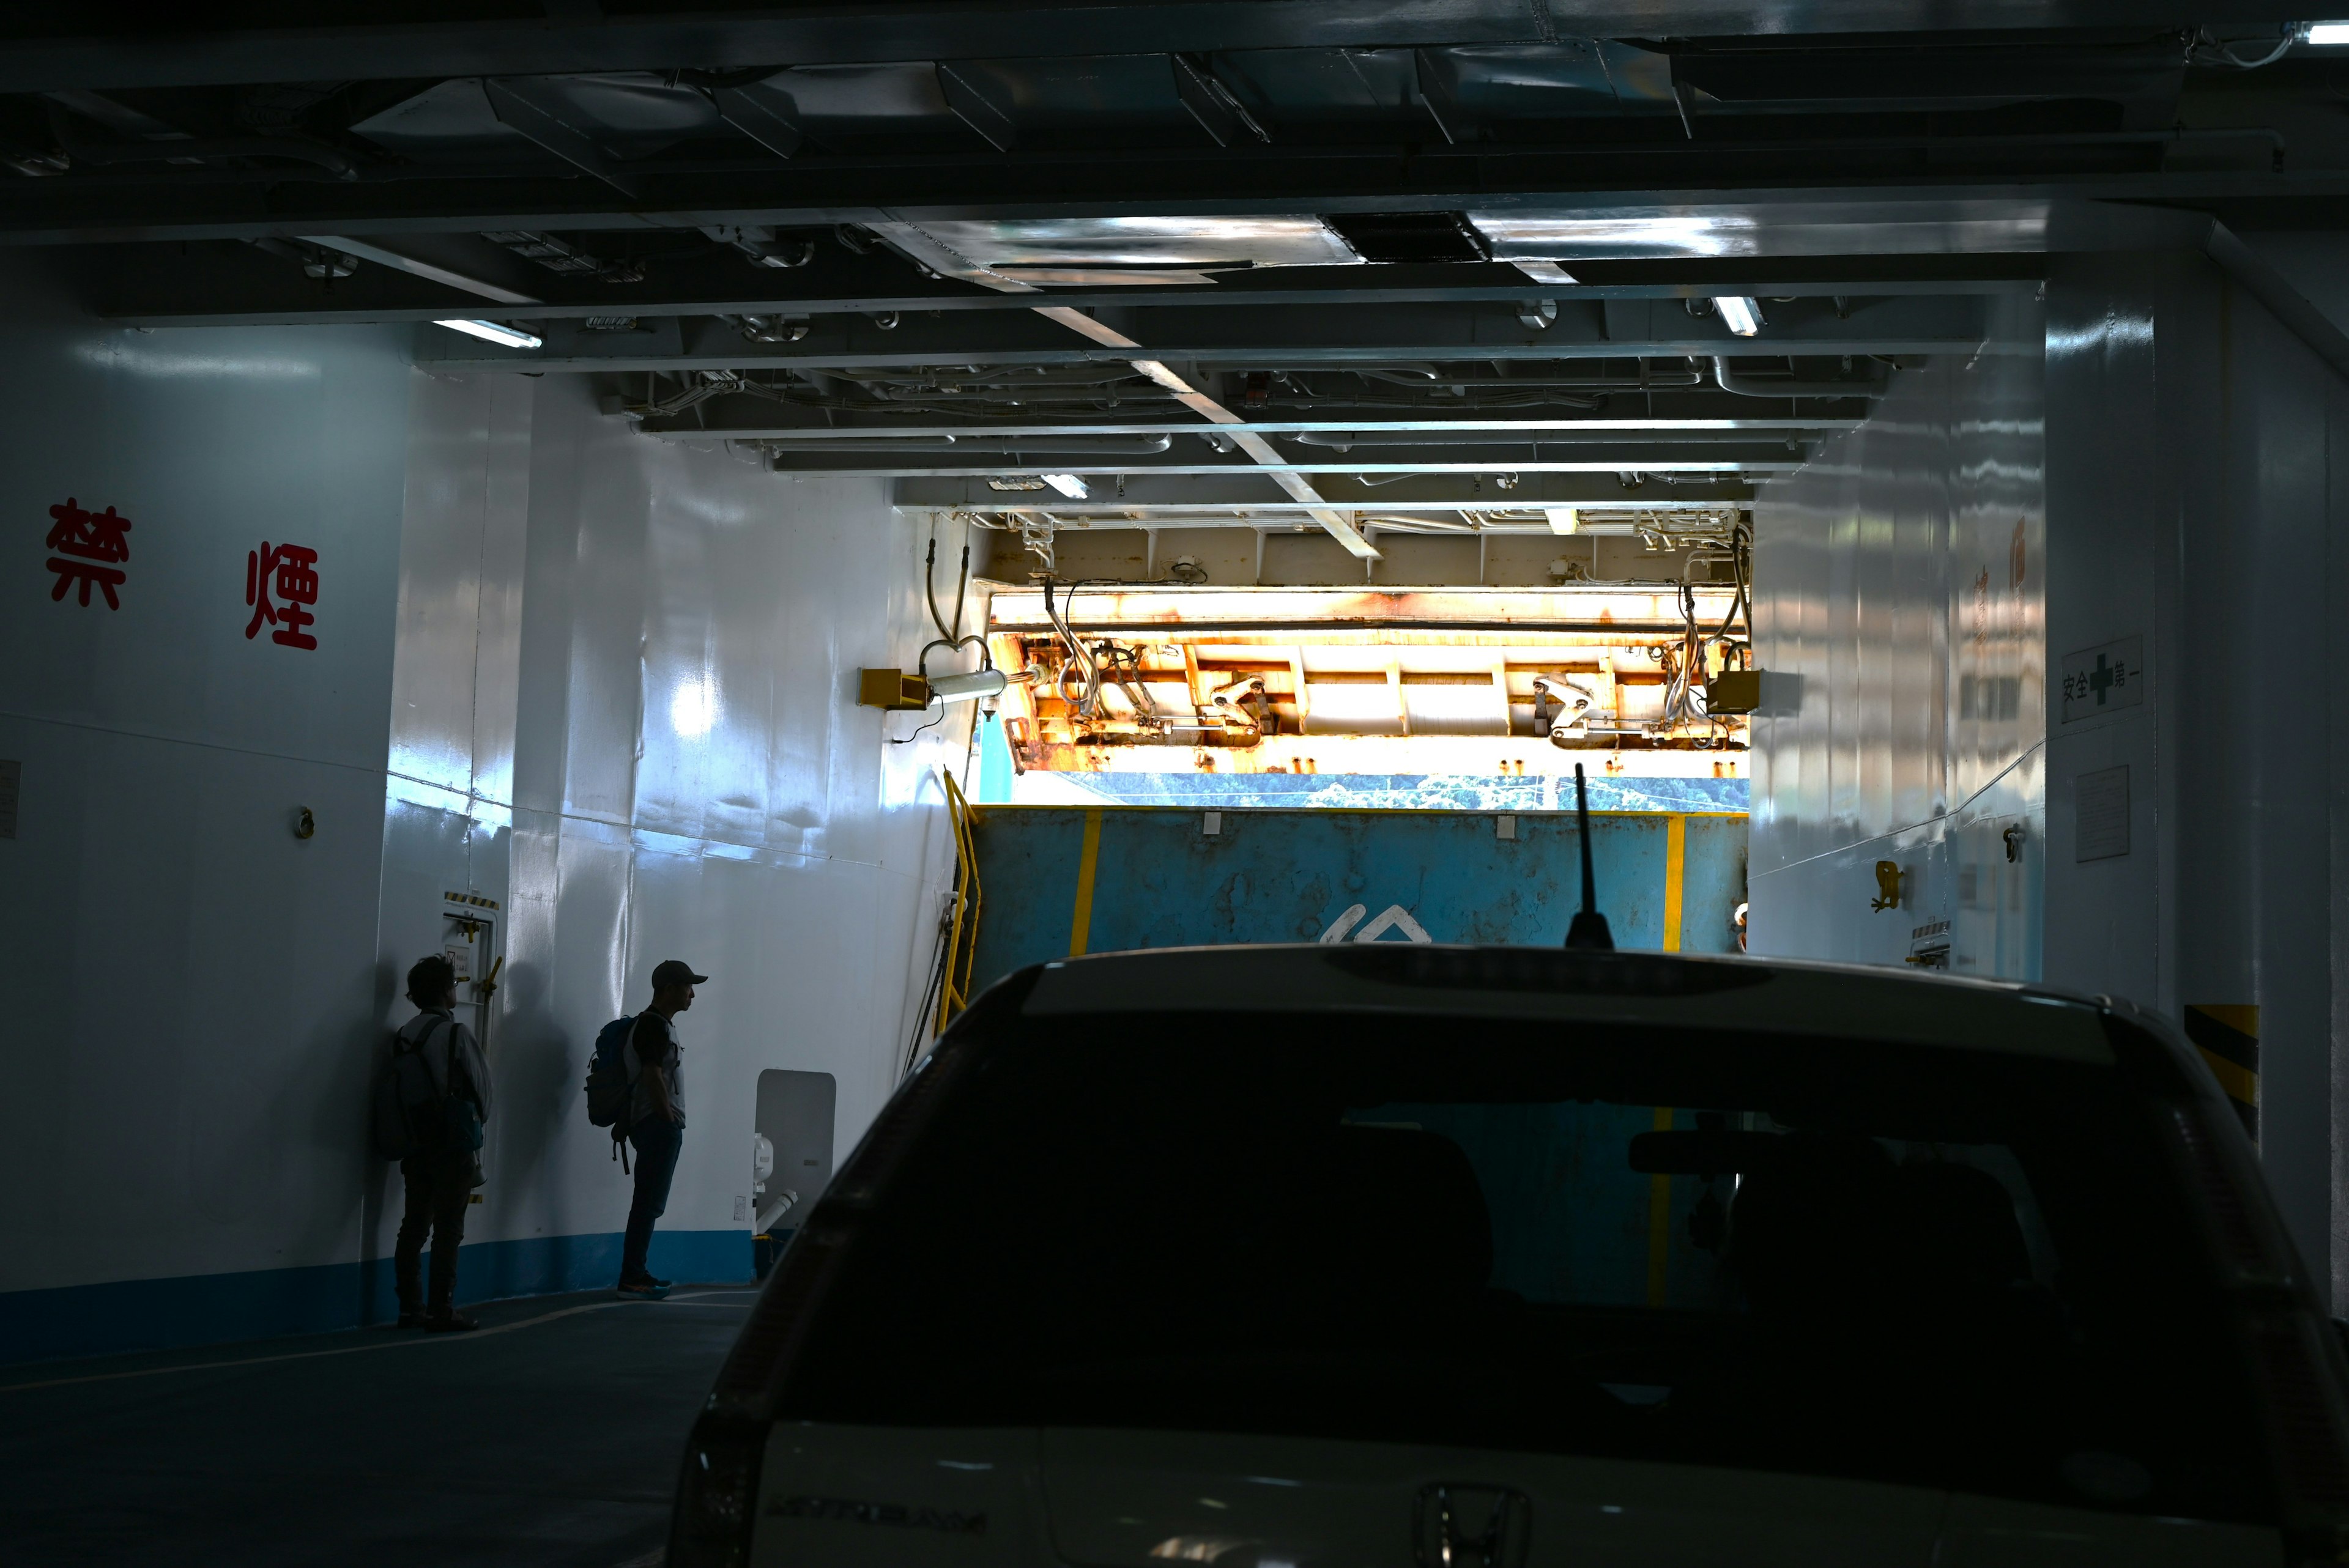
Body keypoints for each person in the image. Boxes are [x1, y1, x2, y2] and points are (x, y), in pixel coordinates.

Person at [392, 955, 492, 1331]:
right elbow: (485, 1093)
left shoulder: (405, 1034)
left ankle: (410, 1308)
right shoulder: (456, 1033)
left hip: (416, 1144)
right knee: (449, 1229)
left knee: (413, 1226)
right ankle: (442, 1308)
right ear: (446, 991)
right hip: (453, 1146)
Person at [618, 959, 703, 1298]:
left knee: (648, 1204)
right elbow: (653, 1076)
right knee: (647, 1205)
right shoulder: (653, 1026)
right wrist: (668, 1119)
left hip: (654, 1125)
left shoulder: (658, 1025)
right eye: (688, 987)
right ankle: (632, 1278)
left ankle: (637, 1273)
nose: (692, 994)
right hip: (657, 1125)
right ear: (669, 989)